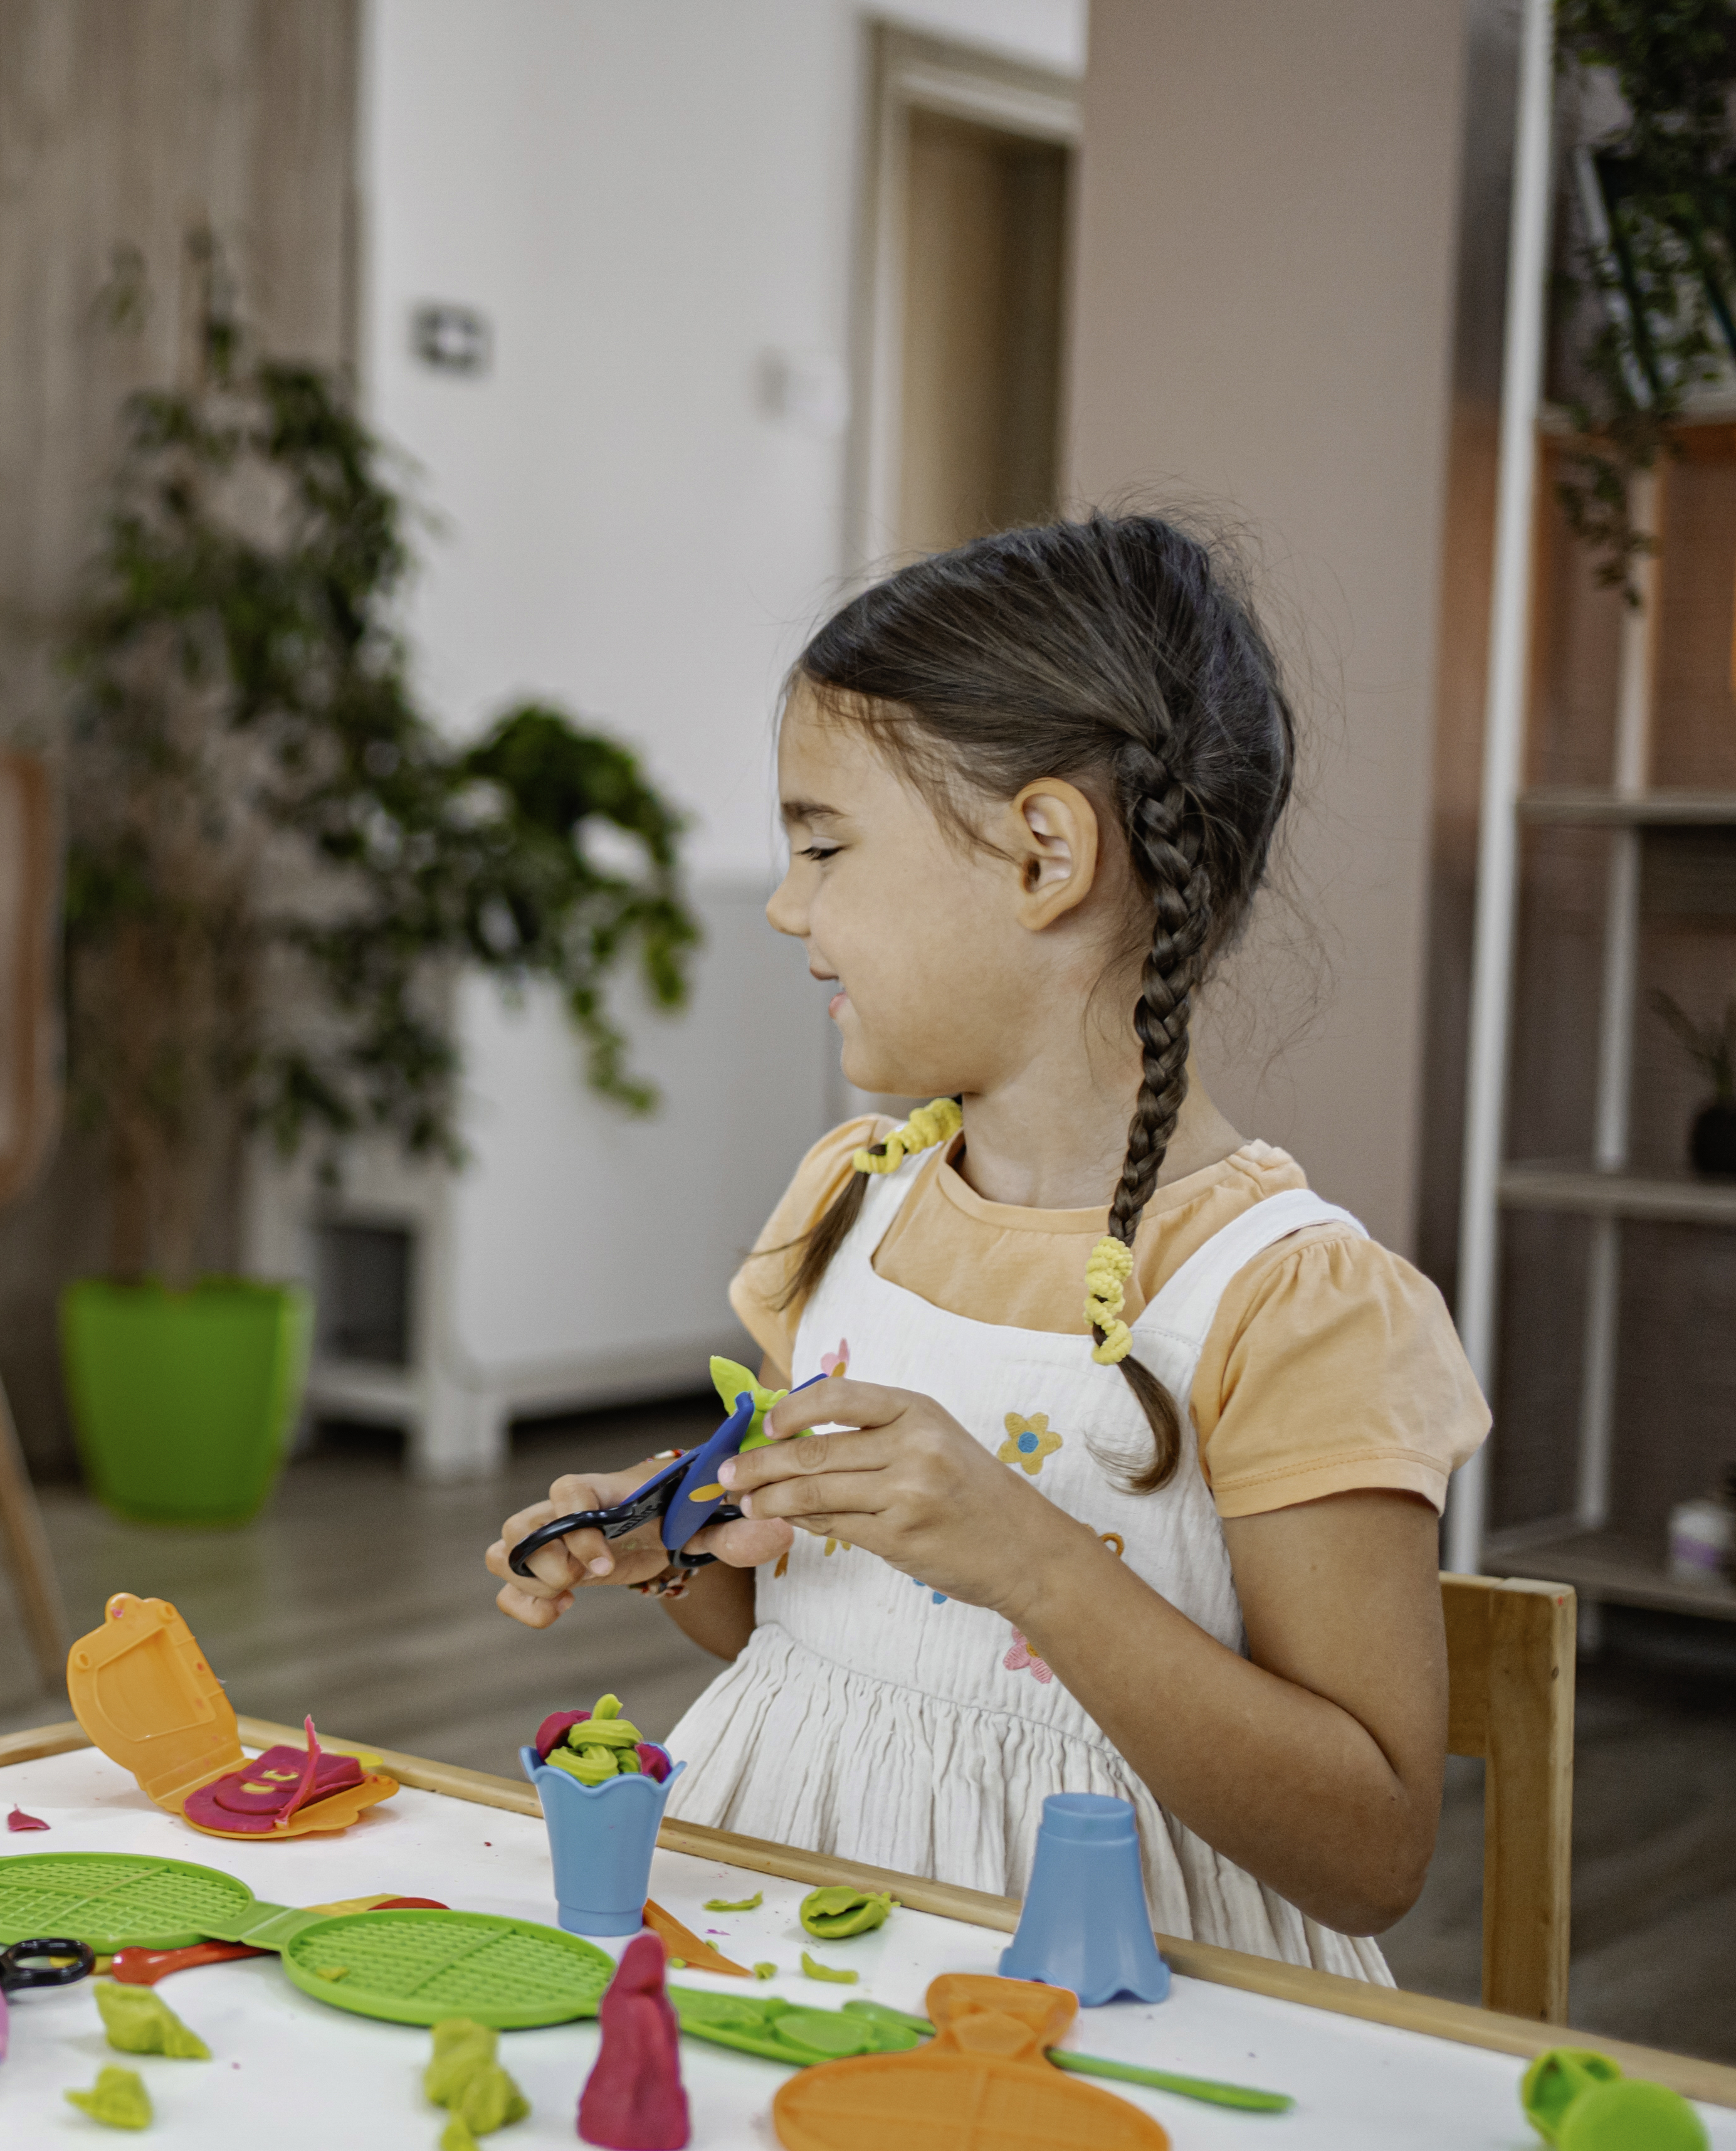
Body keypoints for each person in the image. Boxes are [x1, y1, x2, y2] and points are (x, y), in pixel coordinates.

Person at [486, 514, 1487, 1976]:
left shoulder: (1292, 1303)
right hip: (799, 1939)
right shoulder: (849, 1202)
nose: (785, 904)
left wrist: (1038, 1562)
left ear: (1042, 854)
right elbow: (823, 1635)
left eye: (824, 843)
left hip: (1111, 2004)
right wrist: (673, 1544)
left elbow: (1372, 1847)